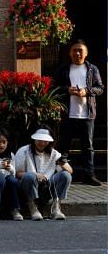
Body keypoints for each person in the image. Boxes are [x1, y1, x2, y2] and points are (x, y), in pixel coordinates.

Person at [53, 39, 104, 186]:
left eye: (80, 50)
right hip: (67, 113)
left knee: (88, 147)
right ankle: (60, 174)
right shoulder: (63, 69)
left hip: (87, 114)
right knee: (64, 146)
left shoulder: (92, 69)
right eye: (74, 50)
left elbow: (100, 88)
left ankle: (89, 175)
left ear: (86, 53)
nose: (77, 53)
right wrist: (67, 90)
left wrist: (86, 91)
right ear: (69, 53)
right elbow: (54, 87)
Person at [15, 126, 73, 221]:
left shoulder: (54, 153)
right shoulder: (24, 151)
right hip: (28, 186)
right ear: (34, 139)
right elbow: (18, 174)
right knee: (29, 176)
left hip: (46, 187)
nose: (42, 143)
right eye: (39, 140)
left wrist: (62, 163)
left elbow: (70, 171)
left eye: (45, 141)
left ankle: (56, 207)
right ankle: (32, 207)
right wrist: (35, 175)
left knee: (66, 175)